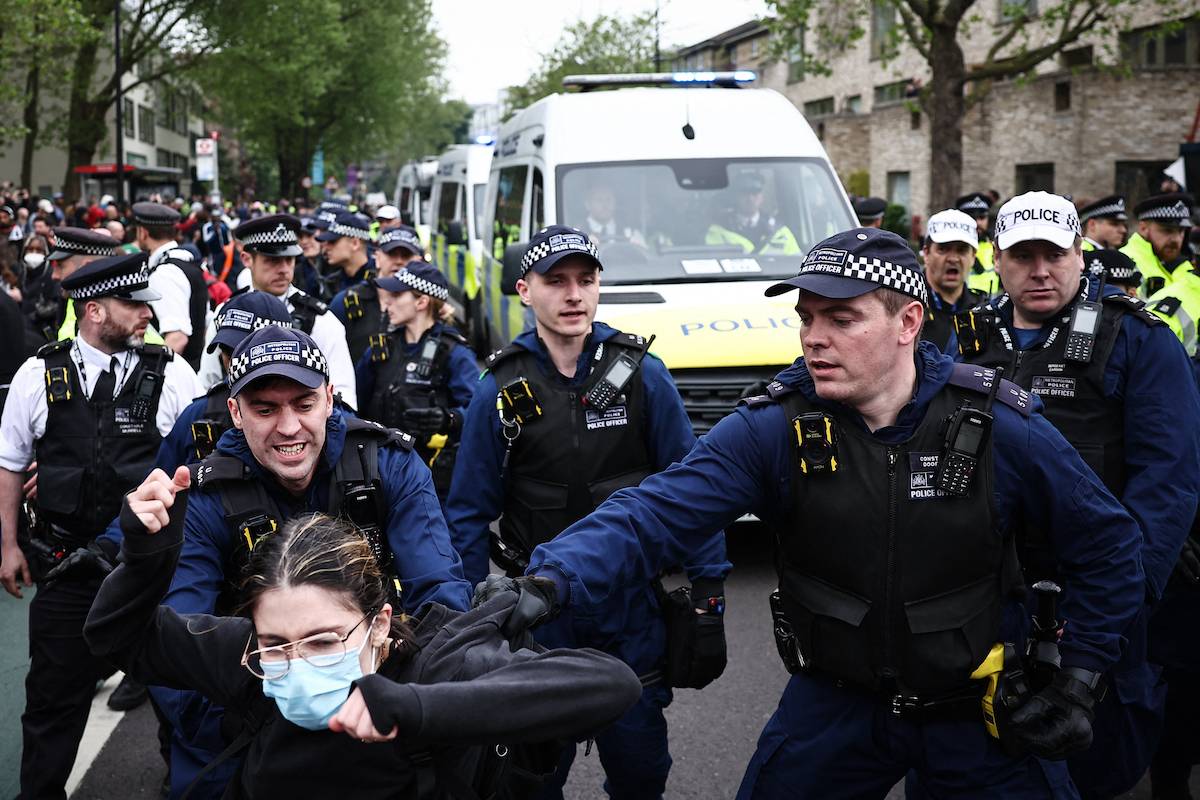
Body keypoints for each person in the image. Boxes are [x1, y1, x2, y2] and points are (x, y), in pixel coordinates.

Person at [521, 226, 1147, 798]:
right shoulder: (774, 427)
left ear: (908, 322)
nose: (814, 337)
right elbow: (653, 511)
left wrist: (1081, 678)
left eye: (842, 319)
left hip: (978, 712)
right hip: (835, 707)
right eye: (807, 317)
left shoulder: (998, 425)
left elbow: (1110, 544)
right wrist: (548, 581)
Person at [84, 502, 643, 799]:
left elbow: (611, 684)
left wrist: (416, 709)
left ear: (377, 624)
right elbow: (116, 636)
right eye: (276, 645)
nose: (297, 664)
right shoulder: (246, 658)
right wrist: (145, 559)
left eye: (325, 640)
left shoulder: (437, 666)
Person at [447, 225, 730, 800]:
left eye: (587, 279)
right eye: (557, 282)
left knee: (641, 768)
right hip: (539, 611)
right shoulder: (499, 388)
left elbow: (692, 490)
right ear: (525, 290)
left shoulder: (644, 375)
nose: (574, 294)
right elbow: (468, 512)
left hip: (633, 605)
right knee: (531, 776)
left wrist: (708, 596)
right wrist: (461, 617)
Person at [145, 323, 472, 799]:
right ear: (235, 411)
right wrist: (251, 728)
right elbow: (180, 647)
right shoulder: (205, 498)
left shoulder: (392, 464)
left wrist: (409, 704)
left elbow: (442, 603)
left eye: (304, 404)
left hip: (377, 696)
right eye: (265, 409)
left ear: (330, 399)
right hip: (250, 704)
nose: (289, 427)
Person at [953, 191, 1200, 798]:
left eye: (1054, 254)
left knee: (1095, 761)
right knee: (970, 762)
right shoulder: (962, 339)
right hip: (980, 596)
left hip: (1093, 598)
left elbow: (1165, 484)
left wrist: (1124, 601)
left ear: (1081, 254)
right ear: (997, 258)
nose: (1040, 270)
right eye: (1022, 255)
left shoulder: (1140, 341)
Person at [0, 252, 201, 800]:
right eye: (134, 305)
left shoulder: (172, 374)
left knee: (177, 697)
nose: (146, 315)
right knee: (51, 700)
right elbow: (12, 462)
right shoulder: (38, 373)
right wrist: (8, 545)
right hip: (66, 566)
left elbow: (198, 464)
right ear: (93, 310)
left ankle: (182, 787)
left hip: (151, 571)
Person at [197, 213, 358, 409]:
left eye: (289, 259)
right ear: (247, 259)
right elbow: (208, 383)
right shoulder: (227, 313)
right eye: (272, 260)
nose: (283, 269)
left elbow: (343, 399)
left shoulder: (320, 320)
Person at [356, 263, 477, 505]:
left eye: (397, 295)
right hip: (379, 474)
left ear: (421, 302)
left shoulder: (454, 352)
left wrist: (448, 419)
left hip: (434, 482)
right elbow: (354, 404)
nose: (388, 302)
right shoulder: (381, 349)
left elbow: (480, 413)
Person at [155, 291, 295, 470]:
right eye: (228, 351)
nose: (235, 363)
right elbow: (161, 482)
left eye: (248, 353)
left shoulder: (319, 415)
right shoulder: (199, 414)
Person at [132, 202, 212, 370]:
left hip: (174, 381)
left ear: (143, 233)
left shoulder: (164, 274)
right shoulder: (188, 264)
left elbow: (177, 337)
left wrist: (150, 379)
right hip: (194, 369)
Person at [330, 225, 422, 363]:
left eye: (406, 256)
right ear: (377, 258)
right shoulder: (346, 301)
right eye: (392, 254)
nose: (399, 261)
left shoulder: (426, 308)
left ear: (419, 261)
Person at [919, 208, 988, 352]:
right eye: (943, 249)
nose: (953, 259)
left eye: (962, 250)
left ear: (973, 257)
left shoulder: (983, 312)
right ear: (926, 254)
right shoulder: (907, 308)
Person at [36, 227, 118, 341]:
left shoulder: (120, 318)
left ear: (86, 267)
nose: (54, 275)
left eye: (60, 266)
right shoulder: (72, 299)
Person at [706, 172, 800, 255]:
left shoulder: (780, 232)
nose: (750, 199)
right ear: (735, 197)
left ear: (762, 197)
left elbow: (797, 263)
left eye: (755, 193)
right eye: (745, 193)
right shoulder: (718, 231)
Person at [1122, 192, 1194, 298]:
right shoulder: (1125, 262)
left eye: (1181, 231)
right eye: (1167, 231)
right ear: (1143, 228)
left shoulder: (1185, 266)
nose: (1176, 239)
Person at [317, 210, 376, 297]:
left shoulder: (378, 282)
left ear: (355, 244)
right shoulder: (331, 283)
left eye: (332, 242)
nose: (326, 247)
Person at [957, 191, 1001, 295]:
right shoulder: (953, 248)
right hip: (962, 305)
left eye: (982, 217)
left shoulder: (994, 244)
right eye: (972, 218)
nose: (978, 223)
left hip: (991, 303)